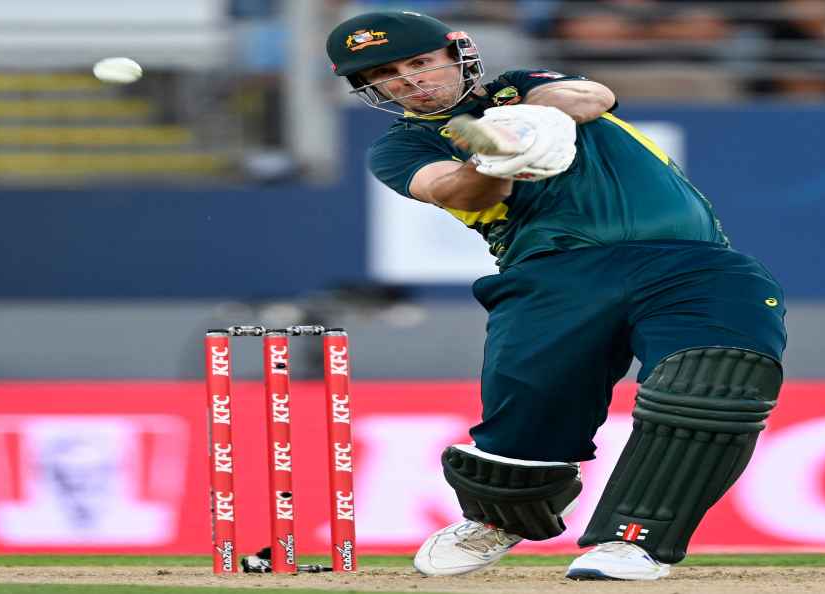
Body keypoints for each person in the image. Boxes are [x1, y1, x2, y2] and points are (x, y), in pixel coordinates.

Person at [326, 10, 787, 581]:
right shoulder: (402, 146)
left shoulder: (516, 85)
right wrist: (494, 157)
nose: (411, 80)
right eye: (386, 75)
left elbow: (592, 95)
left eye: (420, 62)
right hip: (552, 276)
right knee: (520, 445)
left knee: (717, 380)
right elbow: (446, 186)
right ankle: (507, 514)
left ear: (455, 52)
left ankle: (632, 540)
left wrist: (515, 123)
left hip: (689, 262)